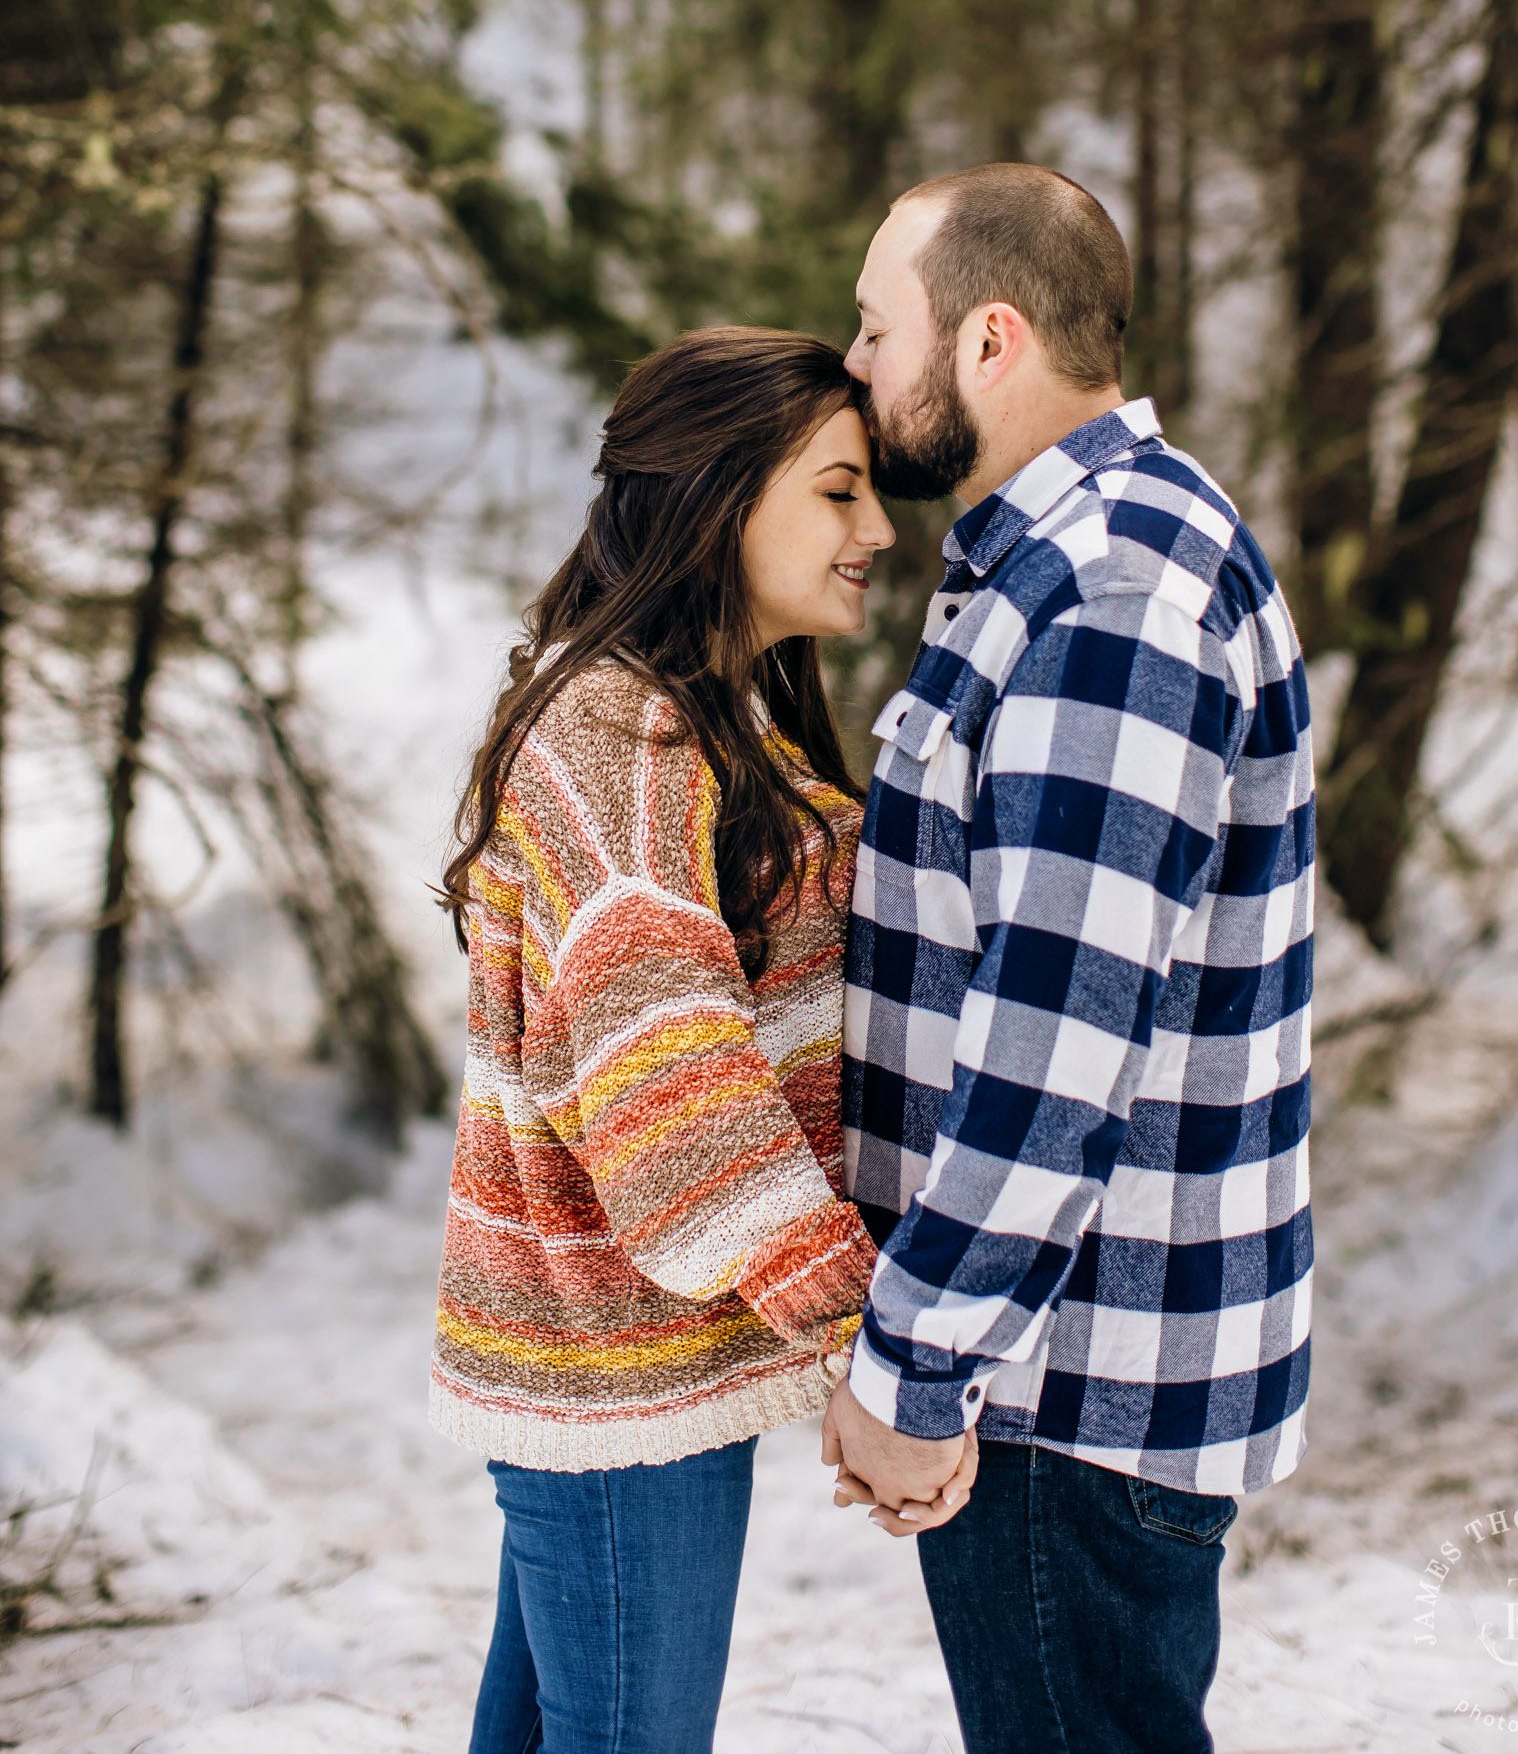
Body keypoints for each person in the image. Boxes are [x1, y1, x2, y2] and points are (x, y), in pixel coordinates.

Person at [823, 164, 1315, 1754]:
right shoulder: (1065, 563)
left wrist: (915, 1368)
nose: (853, 363)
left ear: (990, 341)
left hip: (1066, 1385)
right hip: (1060, 1361)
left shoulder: (1109, 600)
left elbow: (1055, 1051)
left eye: (876, 325)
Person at [429, 327, 972, 1754]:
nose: (877, 529)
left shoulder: (693, 720)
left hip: (623, 1365)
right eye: (838, 490)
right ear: (724, 501)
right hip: (615, 1365)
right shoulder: (621, 741)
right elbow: (679, 1109)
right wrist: (871, 1342)